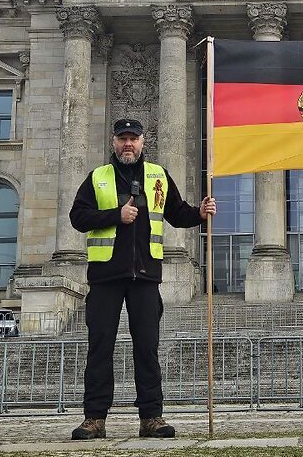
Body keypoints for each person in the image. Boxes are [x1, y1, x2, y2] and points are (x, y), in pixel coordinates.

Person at [68, 117, 216, 440]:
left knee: (147, 348)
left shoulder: (158, 176)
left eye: (133, 138)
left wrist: (200, 213)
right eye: (122, 138)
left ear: (143, 142)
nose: (128, 144)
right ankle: (94, 418)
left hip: (146, 277)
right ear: (113, 142)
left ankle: (151, 417)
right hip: (106, 277)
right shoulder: (98, 178)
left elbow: (176, 213)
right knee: (100, 348)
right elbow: (77, 217)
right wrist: (115, 216)